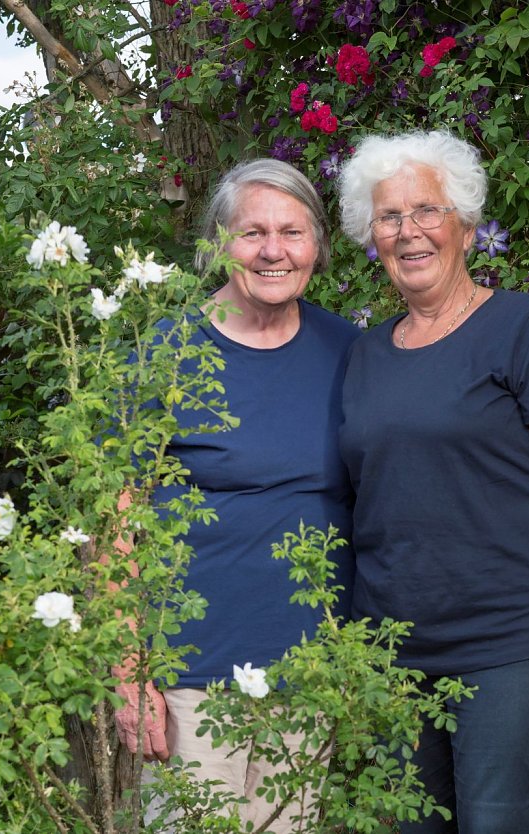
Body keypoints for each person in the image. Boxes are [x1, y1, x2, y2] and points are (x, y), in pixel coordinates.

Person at [336, 130, 529, 834]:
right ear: (373, 237)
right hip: (390, 660)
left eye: (426, 211)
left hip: (506, 651)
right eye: (390, 218)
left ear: (462, 222)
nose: (409, 232)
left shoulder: (523, 328)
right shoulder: (364, 355)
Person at [113, 158, 359, 833]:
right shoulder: (162, 353)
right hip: (189, 678)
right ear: (219, 243)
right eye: (252, 233)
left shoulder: (350, 352)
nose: (274, 250)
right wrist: (131, 671)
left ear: (317, 246)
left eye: (293, 232)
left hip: (310, 676)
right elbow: (116, 523)